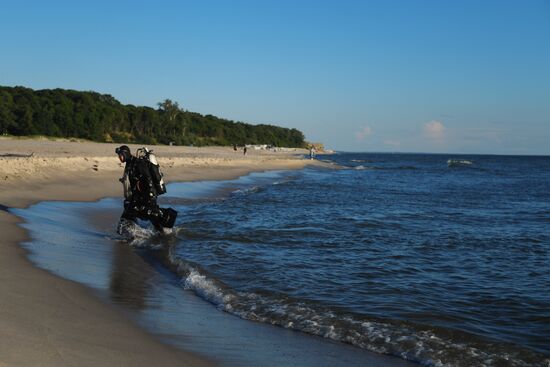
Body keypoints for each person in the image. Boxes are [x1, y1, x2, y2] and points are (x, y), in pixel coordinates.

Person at [115, 145, 177, 233]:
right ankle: (130, 234)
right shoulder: (129, 163)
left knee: (149, 214)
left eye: (120, 155)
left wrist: (149, 196)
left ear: (125, 154)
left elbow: (148, 179)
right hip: (137, 197)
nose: (119, 157)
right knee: (131, 213)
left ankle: (164, 229)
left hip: (147, 196)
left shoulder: (138, 163)